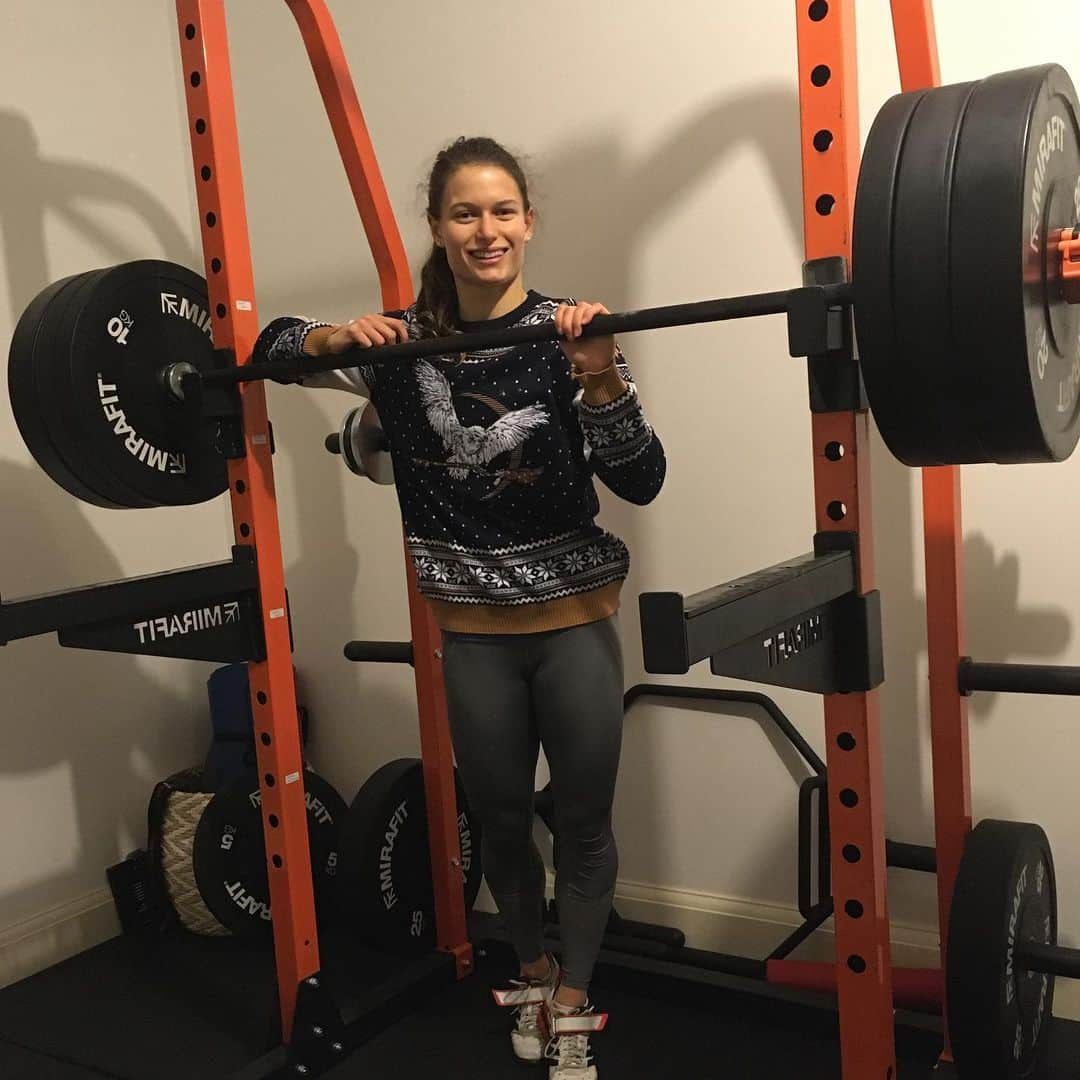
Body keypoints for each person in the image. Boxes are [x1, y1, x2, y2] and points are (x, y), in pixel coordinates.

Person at [253, 136, 665, 1079]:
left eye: (503, 212)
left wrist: (601, 371)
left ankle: (574, 996)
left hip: (574, 621)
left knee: (587, 824)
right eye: (466, 214)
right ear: (437, 228)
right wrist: (327, 340)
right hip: (471, 631)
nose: (488, 231)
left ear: (528, 221)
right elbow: (263, 348)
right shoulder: (400, 352)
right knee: (507, 823)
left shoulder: (570, 333)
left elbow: (642, 479)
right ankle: (529, 968)